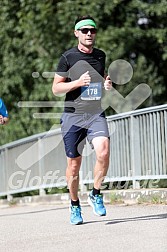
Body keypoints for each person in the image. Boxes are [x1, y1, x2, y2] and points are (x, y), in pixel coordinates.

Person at [52, 15, 112, 225]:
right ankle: (75, 204)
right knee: (74, 166)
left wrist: (106, 83)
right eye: (84, 30)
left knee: (103, 151)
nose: (89, 34)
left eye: (92, 31)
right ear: (76, 33)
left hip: (95, 113)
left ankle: (96, 193)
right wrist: (76, 82)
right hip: (73, 116)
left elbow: (101, 75)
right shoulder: (67, 57)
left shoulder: (101, 55)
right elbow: (56, 88)